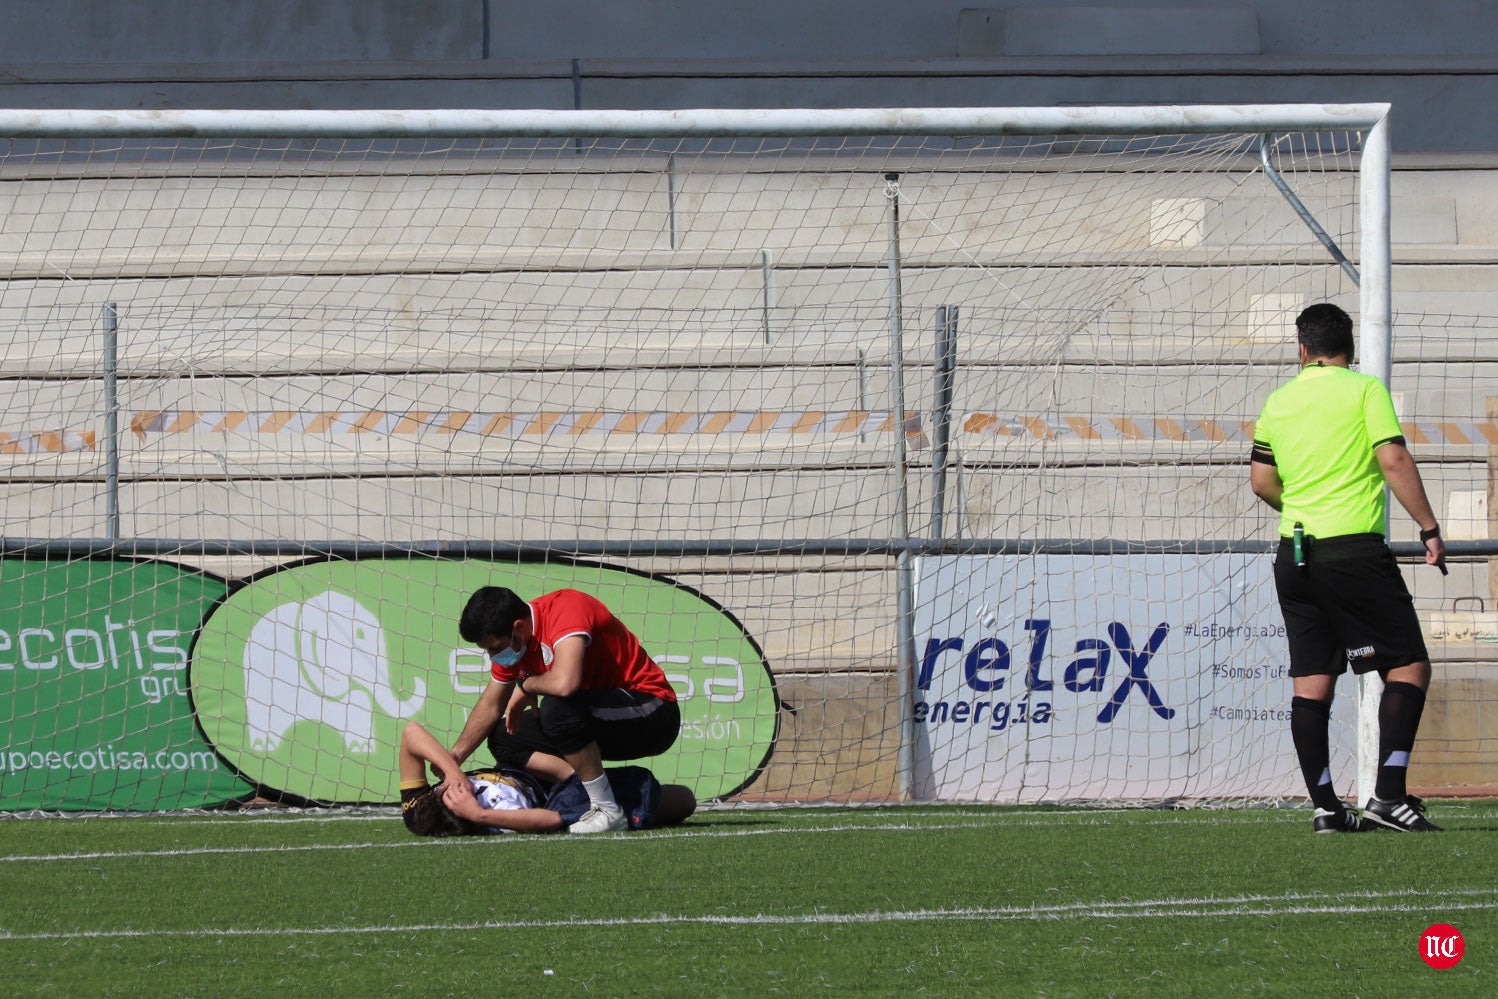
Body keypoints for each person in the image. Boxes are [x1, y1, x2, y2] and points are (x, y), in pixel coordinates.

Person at [1249, 302, 1447, 833]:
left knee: (1311, 683)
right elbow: (1394, 460)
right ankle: (1387, 797)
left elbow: (1262, 483)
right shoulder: (1363, 390)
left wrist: (1301, 509)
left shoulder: (1279, 400)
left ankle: (1326, 809)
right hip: (1352, 551)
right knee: (1407, 666)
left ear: (1302, 349)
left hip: (1294, 556)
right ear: (1349, 348)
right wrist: (1428, 527)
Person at [447, 585, 681, 834]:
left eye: (494, 648)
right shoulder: (516, 646)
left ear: (518, 627)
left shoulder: (565, 608)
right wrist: (453, 759)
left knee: (557, 710)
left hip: (653, 711)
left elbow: (565, 683)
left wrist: (526, 686)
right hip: (593, 720)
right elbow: (492, 705)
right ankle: (592, 796)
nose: (493, 656)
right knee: (505, 737)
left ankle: (607, 810)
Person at [398, 721, 696, 836]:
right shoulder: (491, 822)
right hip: (560, 794)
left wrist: (453, 772)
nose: (464, 791)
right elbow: (551, 820)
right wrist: (480, 813)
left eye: (446, 791)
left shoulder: (418, 811)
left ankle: (580, 756)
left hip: (531, 766)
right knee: (683, 801)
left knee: (503, 734)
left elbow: (412, 733)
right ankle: (587, 778)